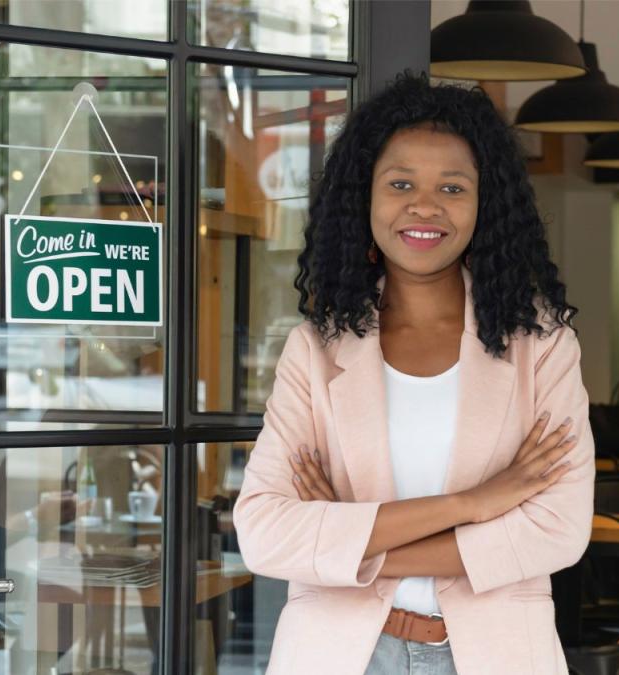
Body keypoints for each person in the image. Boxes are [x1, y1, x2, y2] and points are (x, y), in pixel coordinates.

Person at [233, 71, 595, 675]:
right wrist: (475, 503)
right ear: (364, 198)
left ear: (486, 205)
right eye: (400, 183)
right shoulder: (314, 351)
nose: (424, 206)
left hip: (495, 654)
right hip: (338, 653)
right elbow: (265, 534)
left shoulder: (544, 347)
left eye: (452, 187)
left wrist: (350, 537)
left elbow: (557, 530)